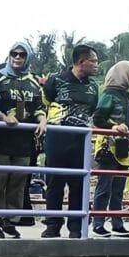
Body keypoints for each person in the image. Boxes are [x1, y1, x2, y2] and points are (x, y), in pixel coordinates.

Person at [0, 41, 46, 239]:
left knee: (18, 182)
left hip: (23, 140)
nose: (17, 57)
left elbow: (38, 106)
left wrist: (43, 120)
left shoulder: (33, 81)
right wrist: (2, 117)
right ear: (9, 56)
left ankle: (11, 221)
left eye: (22, 55)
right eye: (14, 54)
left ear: (27, 58)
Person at [41, 45, 101, 239]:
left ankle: (76, 227)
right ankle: (52, 225)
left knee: (79, 183)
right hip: (57, 138)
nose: (97, 65)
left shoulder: (93, 86)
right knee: (54, 183)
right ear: (81, 62)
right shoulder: (55, 80)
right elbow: (46, 102)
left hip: (81, 140)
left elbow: (92, 109)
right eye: (94, 61)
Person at [91, 60, 129, 238]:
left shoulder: (128, 96)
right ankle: (98, 223)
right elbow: (98, 118)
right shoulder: (109, 95)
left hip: (124, 148)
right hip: (108, 147)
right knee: (104, 186)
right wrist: (113, 126)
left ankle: (117, 223)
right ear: (124, 74)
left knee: (118, 188)